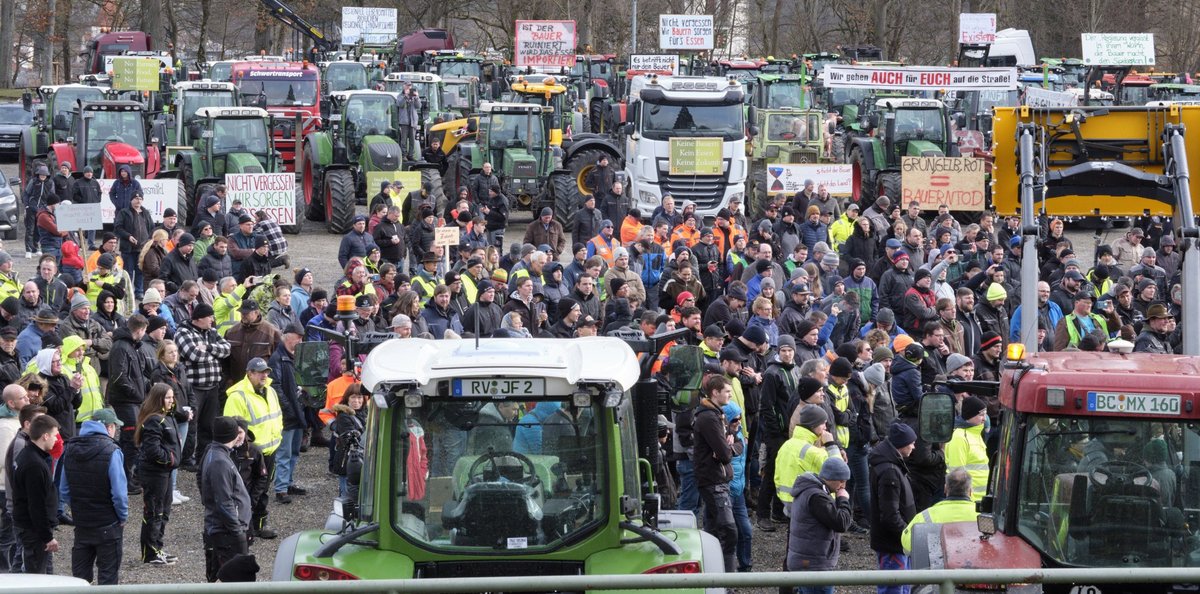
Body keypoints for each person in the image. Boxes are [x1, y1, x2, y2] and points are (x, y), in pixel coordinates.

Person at [56, 407, 125, 583]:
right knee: (108, 577)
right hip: (108, 523)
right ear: (109, 427)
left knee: (80, 579)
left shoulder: (70, 448)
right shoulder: (112, 451)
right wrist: (122, 516)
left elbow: (64, 490)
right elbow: (119, 493)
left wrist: (79, 508)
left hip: (82, 522)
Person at [223, 357, 282, 537]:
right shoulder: (238, 396)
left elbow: (277, 416)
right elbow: (231, 426)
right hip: (249, 454)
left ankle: (258, 525)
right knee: (244, 491)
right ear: (249, 373)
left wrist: (277, 436)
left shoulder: (270, 391)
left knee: (263, 490)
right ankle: (241, 526)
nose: (264, 376)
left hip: (269, 451)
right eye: (260, 372)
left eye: (266, 372)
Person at [692, 374, 741, 572]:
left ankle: (715, 574)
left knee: (713, 530)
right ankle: (726, 577)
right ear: (715, 392)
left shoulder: (717, 415)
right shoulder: (709, 418)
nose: (730, 395)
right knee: (728, 531)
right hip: (713, 480)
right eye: (727, 391)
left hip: (718, 479)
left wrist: (730, 444)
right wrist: (727, 448)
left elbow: (736, 445)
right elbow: (725, 455)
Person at [786, 457, 853, 593]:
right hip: (814, 565)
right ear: (830, 478)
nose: (843, 486)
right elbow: (841, 523)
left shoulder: (810, 490)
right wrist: (843, 500)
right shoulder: (817, 497)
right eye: (841, 481)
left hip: (807, 561)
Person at [176, 303, 233, 457]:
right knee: (191, 424)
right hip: (194, 387)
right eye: (210, 317)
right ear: (199, 318)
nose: (212, 320)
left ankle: (204, 456)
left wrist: (207, 347)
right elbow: (194, 355)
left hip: (213, 387)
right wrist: (215, 354)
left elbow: (227, 349)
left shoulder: (212, 332)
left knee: (209, 425)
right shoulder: (183, 332)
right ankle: (186, 458)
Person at [199, 416, 251, 583]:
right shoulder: (220, 461)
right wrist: (237, 531)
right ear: (233, 435)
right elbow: (224, 501)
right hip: (226, 533)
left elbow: (200, 479)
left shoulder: (214, 452)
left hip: (223, 530)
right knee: (236, 581)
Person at [134, 384, 181, 565]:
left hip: (165, 472)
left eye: (172, 397)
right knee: (154, 511)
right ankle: (150, 553)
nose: (171, 401)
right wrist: (169, 460)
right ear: (158, 399)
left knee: (164, 511)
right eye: (167, 398)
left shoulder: (167, 417)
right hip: (155, 473)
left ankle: (157, 548)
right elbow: (152, 449)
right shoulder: (154, 420)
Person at [869, 422, 918, 594]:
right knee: (894, 588)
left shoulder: (891, 465)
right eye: (911, 443)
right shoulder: (890, 471)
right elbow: (890, 515)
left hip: (895, 544)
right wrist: (907, 536)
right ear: (901, 444)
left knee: (901, 587)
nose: (914, 447)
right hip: (893, 545)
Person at [12, 414, 61, 574]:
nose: (56, 439)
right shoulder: (35, 465)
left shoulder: (28, 455)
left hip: (32, 528)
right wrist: (47, 537)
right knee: (35, 576)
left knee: (40, 573)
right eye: (54, 435)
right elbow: (36, 505)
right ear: (45, 436)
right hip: (34, 531)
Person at [900, 467, 978, 556]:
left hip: (936, 564)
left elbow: (907, 547)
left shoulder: (925, 516)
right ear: (970, 491)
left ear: (945, 489)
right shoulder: (982, 517)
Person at [270, 324, 307, 503]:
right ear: (286, 336)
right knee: (284, 453)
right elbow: (275, 387)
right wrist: (288, 409)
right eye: (297, 337)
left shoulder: (293, 357)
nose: (300, 340)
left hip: (297, 411)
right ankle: (281, 489)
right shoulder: (277, 358)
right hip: (288, 414)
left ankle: (287, 483)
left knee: (294, 451)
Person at [944, 396, 989, 502]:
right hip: (970, 500)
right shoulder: (959, 437)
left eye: (985, 414)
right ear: (970, 416)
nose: (984, 419)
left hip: (980, 499)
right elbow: (957, 474)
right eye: (981, 415)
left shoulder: (975, 433)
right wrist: (966, 500)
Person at [23, 164, 54, 258]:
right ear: (38, 174)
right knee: (30, 229)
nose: (42, 176)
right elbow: (26, 193)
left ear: (47, 175)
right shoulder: (33, 181)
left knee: (39, 229)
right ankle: (28, 250)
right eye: (41, 174)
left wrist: (49, 208)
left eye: (44, 175)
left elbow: (52, 195)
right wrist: (27, 205)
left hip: (42, 210)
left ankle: (35, 248)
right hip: (32, 208)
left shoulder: (50, 183)